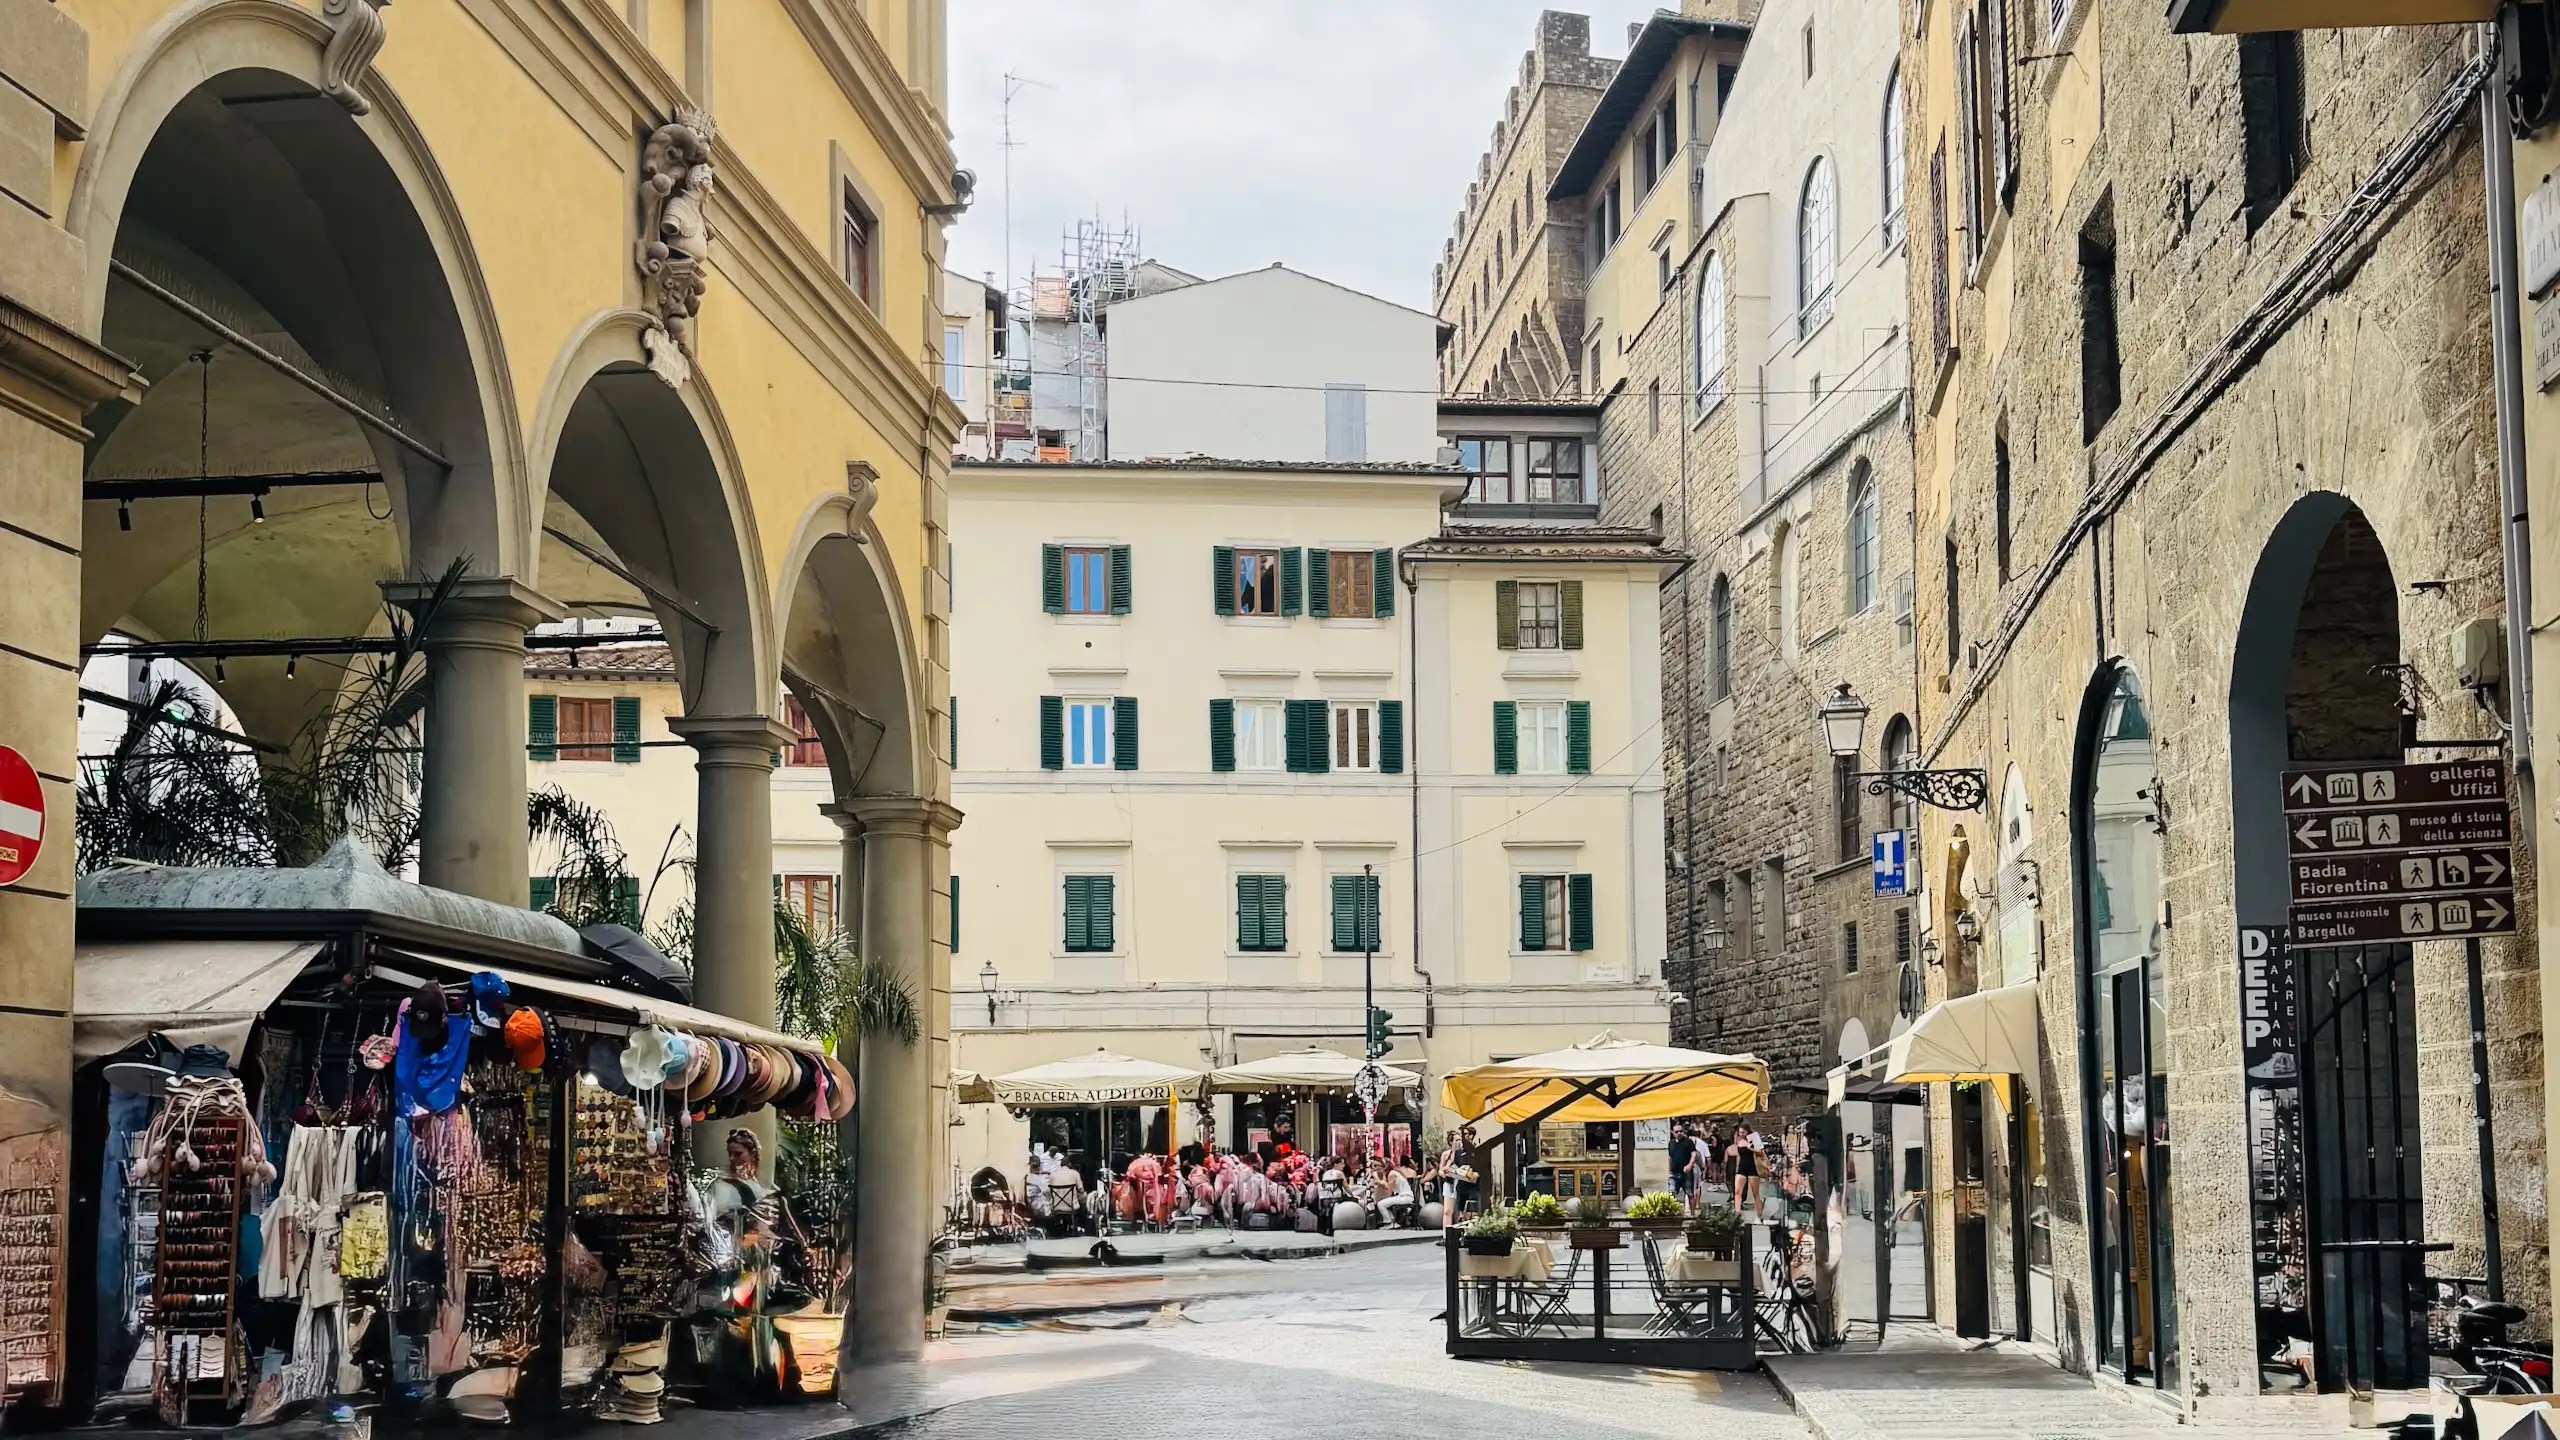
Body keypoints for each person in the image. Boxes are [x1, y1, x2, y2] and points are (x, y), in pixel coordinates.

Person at [1667, 1123, 1696, 1212]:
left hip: (1686, 1173)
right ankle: (1672, 1214)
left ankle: (1692, 1214)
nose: (1679, 1133)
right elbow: (1670, 1157)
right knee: (1671, 1194)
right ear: (1673, 1132)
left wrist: (1690, 1165)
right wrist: (1669, 1169)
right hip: (1674, 1172)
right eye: (1676, 1131)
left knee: (1690, 1193)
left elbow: (1693, 1154)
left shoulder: (1688, 1142)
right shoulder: (1671, 1143)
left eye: (1681, 1131)